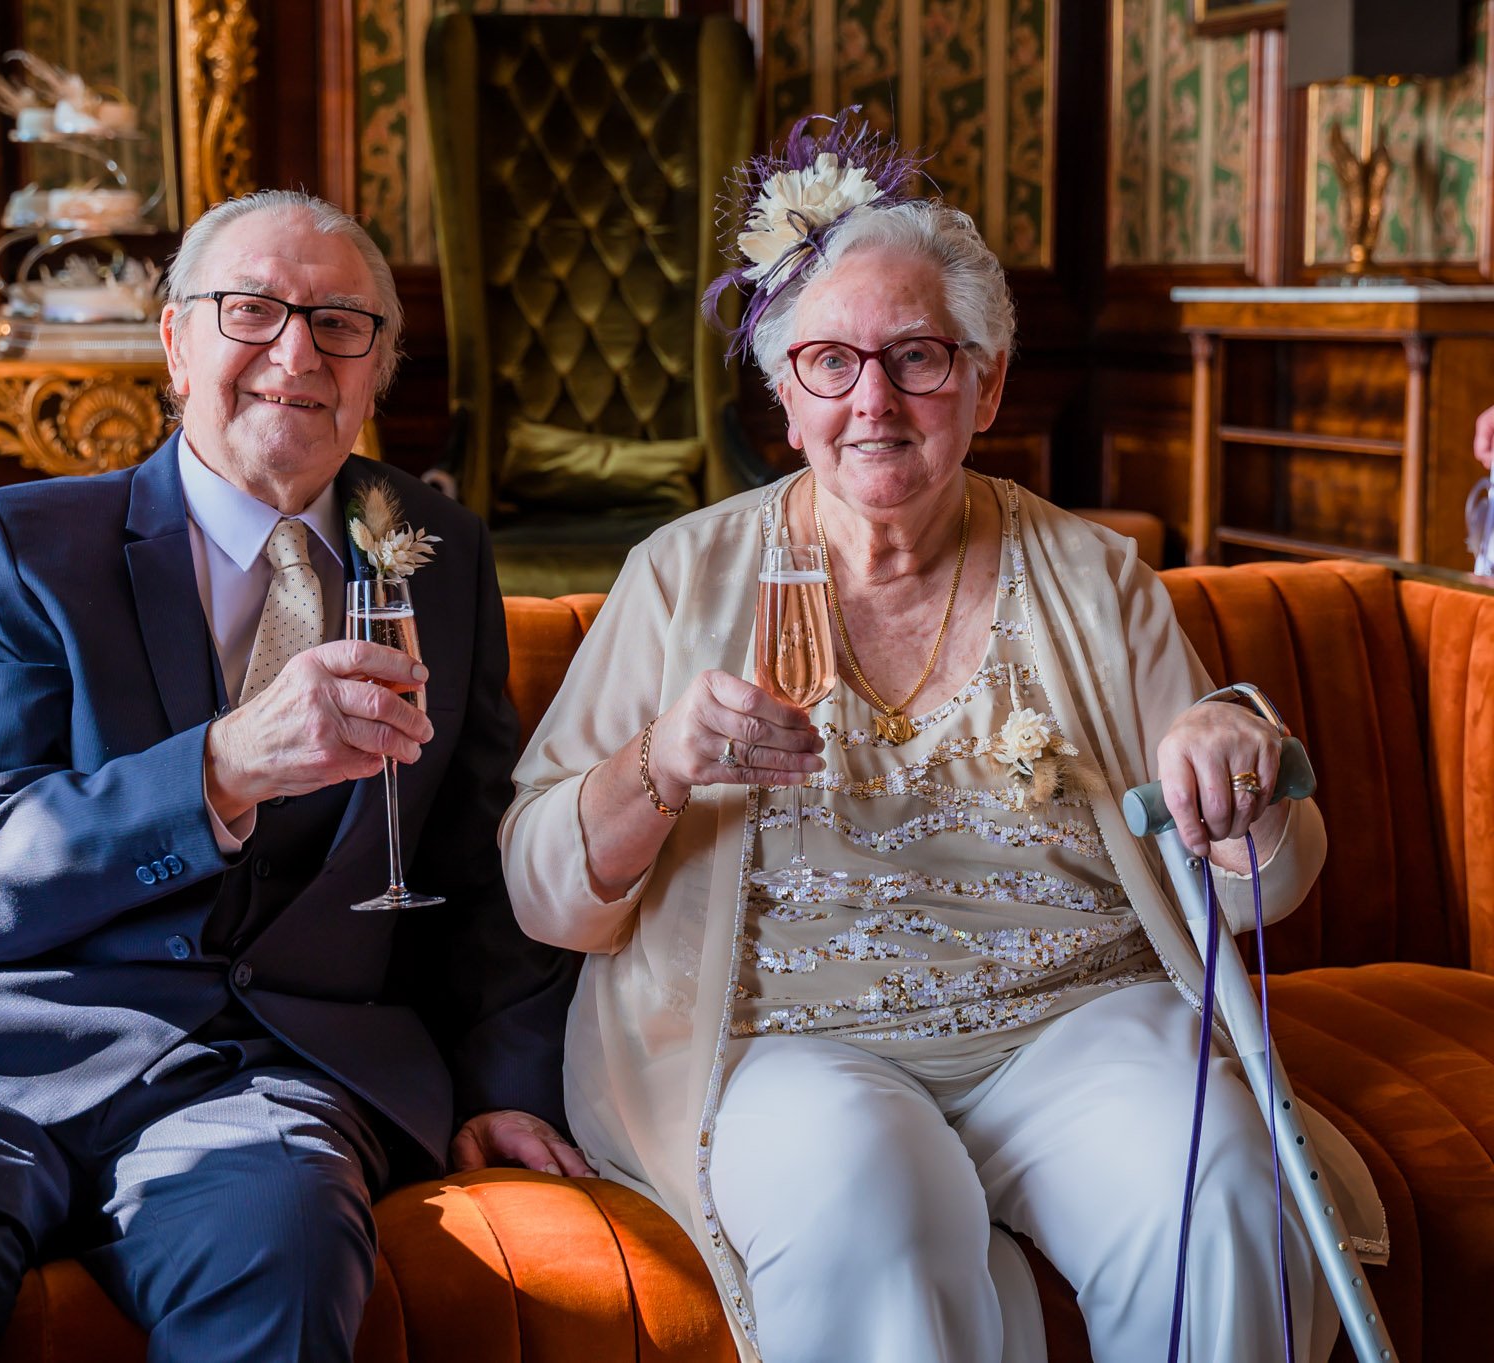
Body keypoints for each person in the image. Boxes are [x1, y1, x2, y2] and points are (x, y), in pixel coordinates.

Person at [500, 117, 1382, 1363]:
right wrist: (658, 762)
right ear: (782, 392)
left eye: (916, 357)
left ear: (986, 382)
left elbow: (1252, 889)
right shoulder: (681, 575)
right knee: (869, 1204)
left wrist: (1229, 754)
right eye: (828, 362)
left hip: (1073, 1022)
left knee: (1216, 1190)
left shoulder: (1090, 574)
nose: (873, 400)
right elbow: (540, 885)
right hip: (785, 1042)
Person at [0, 189, 585, 1363]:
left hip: (263, 1077)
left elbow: (470, 859)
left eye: (341, 324)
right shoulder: (13, 542)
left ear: (379, 369)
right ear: (177, 345)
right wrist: (222, 769)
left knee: (286, 1274)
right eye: (251, 311)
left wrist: (508, 1082)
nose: (295, 351)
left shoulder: (435, 555)